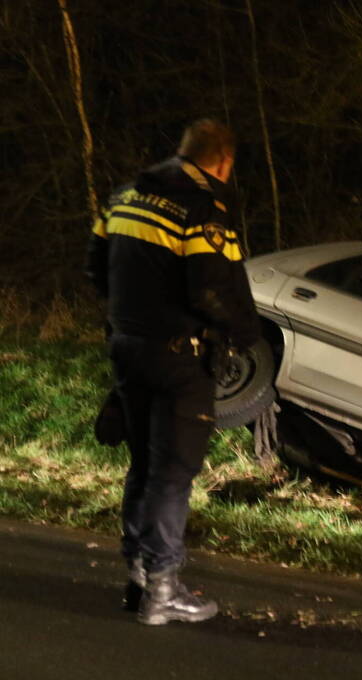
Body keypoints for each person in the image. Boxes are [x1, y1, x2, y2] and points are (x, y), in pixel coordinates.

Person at [85, 119, 260, 626]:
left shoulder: (123, 197)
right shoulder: (202, 209)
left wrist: (133, 314)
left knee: (142, 463)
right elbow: (211, 288)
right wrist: (242, 335)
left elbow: (95, 268)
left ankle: (138, 579)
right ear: (222, 161)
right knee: (173, 473)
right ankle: (164, 591)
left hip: (126, 347)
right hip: (180, 358)